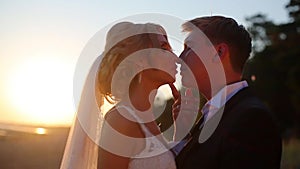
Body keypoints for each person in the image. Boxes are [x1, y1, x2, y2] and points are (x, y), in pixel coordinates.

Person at [60, 22, 178, 169]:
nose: (176, 58)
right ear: (139, 59)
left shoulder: (147, 119)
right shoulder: (120, 121)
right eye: (164, 48)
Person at [173, 16, 282, 169]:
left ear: (219, 52)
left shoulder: (251, 120)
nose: (179, 58)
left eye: (189, 48)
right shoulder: (215, 116)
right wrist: (182, 134)